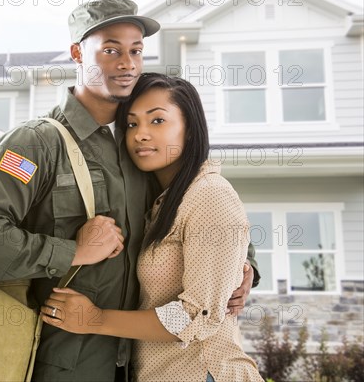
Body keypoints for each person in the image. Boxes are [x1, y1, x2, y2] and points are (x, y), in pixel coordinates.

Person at [0, 0, 259, 381]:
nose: (127, 63)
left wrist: (245, 270)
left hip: (137, 366)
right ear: (78, 52)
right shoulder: (36, 143)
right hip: (66, 364)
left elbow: (194, 214)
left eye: (136, 51)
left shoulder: (140, 151)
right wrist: (73, 251)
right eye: (110, 50)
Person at [41, 73, 264, 381]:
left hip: (204, 373)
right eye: (131, 124)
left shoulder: (210, 194)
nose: (141, 135)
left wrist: (96, 319)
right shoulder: (158, 199)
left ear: (189, 130)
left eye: (157, 121)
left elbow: (196, 314)